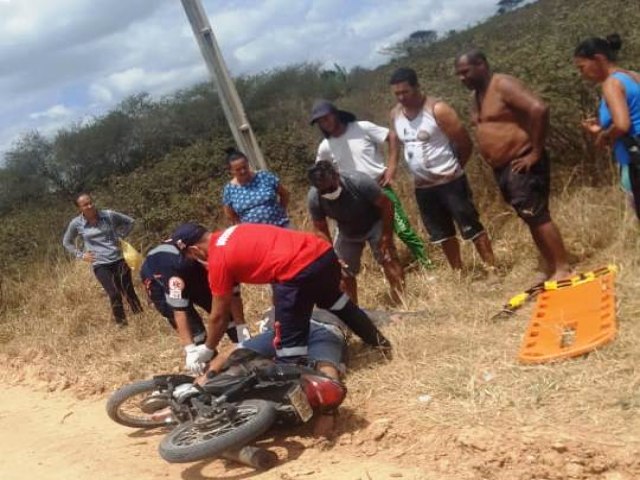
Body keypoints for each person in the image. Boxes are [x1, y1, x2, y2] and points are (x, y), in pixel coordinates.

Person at [166, 222, 391, 367]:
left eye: (191, 257)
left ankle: (299, 387)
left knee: (288, 346)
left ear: (194, 250)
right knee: (338, 302)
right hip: (321, 254)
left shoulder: (218, 260)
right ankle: (380, 343)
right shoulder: (235, 230)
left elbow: (218, 316)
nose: (194, 261)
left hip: (296, 273)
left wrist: (207, 349)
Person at [454, 51, 571, 281]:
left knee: (537, 215)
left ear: (482, 64)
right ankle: (550, 265)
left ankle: (563, 267)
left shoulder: (503, 85)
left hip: (522, 160)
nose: (462, 78)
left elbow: (539, 108)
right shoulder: (477, 96)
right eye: (458, 75)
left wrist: (536, 152)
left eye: (465, 72)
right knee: (529, 216)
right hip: (504, 168)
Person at [388, 67, 496, 272]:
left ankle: (491, 267)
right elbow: (395, 140)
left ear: (417, 87)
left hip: (450, 182)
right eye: (397, 94)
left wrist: (454, 168)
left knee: (470, 225)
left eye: (405, 92)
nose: (401, 97)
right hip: (423, 187)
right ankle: (458, 272)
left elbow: (464, 142)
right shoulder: (395, 114)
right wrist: (392, 166)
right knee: (441, 233)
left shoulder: (437, 109)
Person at [310, 99, 432, 268]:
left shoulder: (362, 127)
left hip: (379, 189)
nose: (325, 123)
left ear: (335, 114)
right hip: (353, 198)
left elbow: (392, 136)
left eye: (327, 118)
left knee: (402, 229)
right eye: (320, 121)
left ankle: (427, 263)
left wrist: (391, 167)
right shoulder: (325, 147)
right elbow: (321, 171)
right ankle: (389, 266)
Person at [208, 307, 348, 437]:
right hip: (313, 324)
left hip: (323, 324)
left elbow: (328, 373)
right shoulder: (277, 334)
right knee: (245, 361)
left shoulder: (317, 332)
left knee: (245, 361)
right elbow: (231, 353)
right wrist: (208, 376)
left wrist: (328, 415)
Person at [140, 242, 251, 374]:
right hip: (158, 278)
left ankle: (247, 358)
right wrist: (190, 349)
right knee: (196, 332)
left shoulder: (220, 258)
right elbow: (179, 311)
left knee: (224, 314)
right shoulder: (177, 269)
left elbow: (232, 296)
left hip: (193, 271)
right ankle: (212, 373)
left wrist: (241, 327)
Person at [307, 160, 405, 305]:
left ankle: (401, 301)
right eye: (323, 191)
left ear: (337, 176)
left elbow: (387, 205)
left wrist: (386, 236)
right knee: (342, 271)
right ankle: (353, 310)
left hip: (374, 223)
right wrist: (331, 255)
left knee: (388, 258)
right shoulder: (314, 198)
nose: (328, 193)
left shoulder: (360, 182)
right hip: (347, 231)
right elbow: (320, 228)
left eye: (331, 188)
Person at [573, 34, 640, 218]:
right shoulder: (632, 75)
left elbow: (622, 124)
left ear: (599, 59)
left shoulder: (611, 84)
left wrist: (603, 136)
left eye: (582, 67)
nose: (582, 74)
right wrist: (603, 125)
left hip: (634, 160)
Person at [62, 193, 143, 327]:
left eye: (90, 202)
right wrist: (81, 255)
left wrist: (121, 236)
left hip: (118, 259)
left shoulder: (108, 215)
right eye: (85, 205)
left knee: (128, 290)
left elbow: (130, 222)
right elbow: (66, 242)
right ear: (79, 208)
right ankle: (122, 325)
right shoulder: (77, 223)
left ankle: (141, 320)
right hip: (100, 263)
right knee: (114, 293)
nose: (90, 206)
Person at [222, 149, 291, 227]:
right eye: (238, 169)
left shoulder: (264, 176)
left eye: (245, 167)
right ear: (231, 171)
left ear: (248, 164)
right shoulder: (229, 190)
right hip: (254, 235)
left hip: (280, 225)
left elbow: (284, 194)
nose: (243, 171)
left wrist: (281, 210)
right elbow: (230, 215)